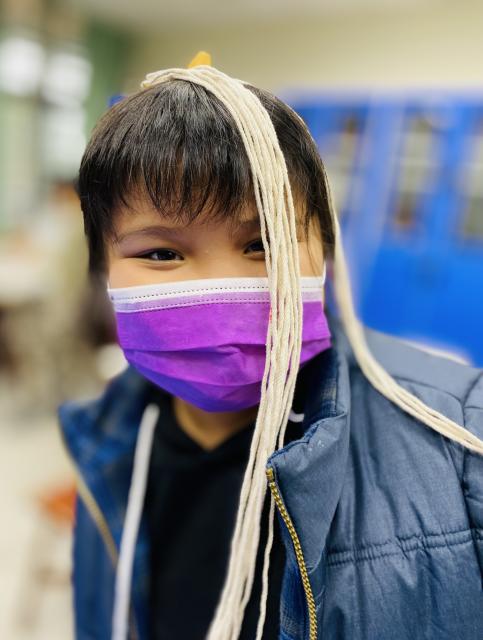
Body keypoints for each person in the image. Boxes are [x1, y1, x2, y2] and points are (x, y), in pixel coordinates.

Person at [58, 52, 483, 640]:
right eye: (160, 253)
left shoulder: (460, 440)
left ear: (324, 249)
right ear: (102, 268)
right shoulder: (103, 442)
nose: (219, 284)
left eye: (263, 244)